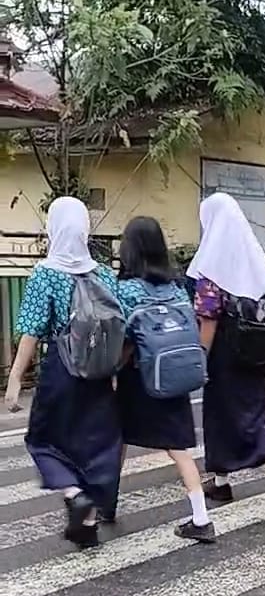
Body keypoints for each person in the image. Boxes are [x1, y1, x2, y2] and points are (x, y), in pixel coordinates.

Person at [4, 196, 122, 548]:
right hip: (99, 374)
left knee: (43, 440)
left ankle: (74, 494)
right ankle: (87, 520)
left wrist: (14, 380)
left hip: (62, 370)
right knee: (93, 443)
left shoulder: (46, 273)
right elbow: (118, 325)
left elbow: (31, 330)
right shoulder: (103, 273)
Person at [187, 192, 265, 511]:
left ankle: (250, 472)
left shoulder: (212, 266)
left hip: (225, 356)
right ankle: (241, 474)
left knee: (220, 417)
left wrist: (200, 358)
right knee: (254, 414)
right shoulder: (254, 259)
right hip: (257, 354)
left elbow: (208, 319)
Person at [115, 215, 216, 543]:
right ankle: (200, 516)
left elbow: (123, 337)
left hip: (138, 379)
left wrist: (112, 370)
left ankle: (105, 503)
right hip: (172, 377)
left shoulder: (126, 289)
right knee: (178, 448)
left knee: (116, 437)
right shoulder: (175, 289)